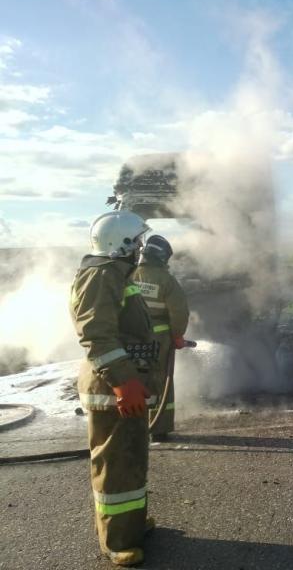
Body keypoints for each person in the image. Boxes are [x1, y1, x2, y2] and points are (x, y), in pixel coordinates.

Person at [70, 210, 156, 567]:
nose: (139, 249)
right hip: (114, 389)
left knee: (132, 459)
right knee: (115, 464)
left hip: (128, 384)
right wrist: (123, 382)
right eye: (135, 242)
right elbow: (96, 333)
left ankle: (131, 525)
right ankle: (117, 541)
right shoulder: (102, 274)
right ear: (118, 243)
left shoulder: (117, 274)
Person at [132, 234, 189, 440]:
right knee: (161, 380)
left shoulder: (129, 274)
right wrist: (177, 336)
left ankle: (131, 426)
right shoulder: (166, 280)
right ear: (163, 257)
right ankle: (159, 429)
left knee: (132, 378)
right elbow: (179, 311)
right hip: (158, 340)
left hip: (129, 338)